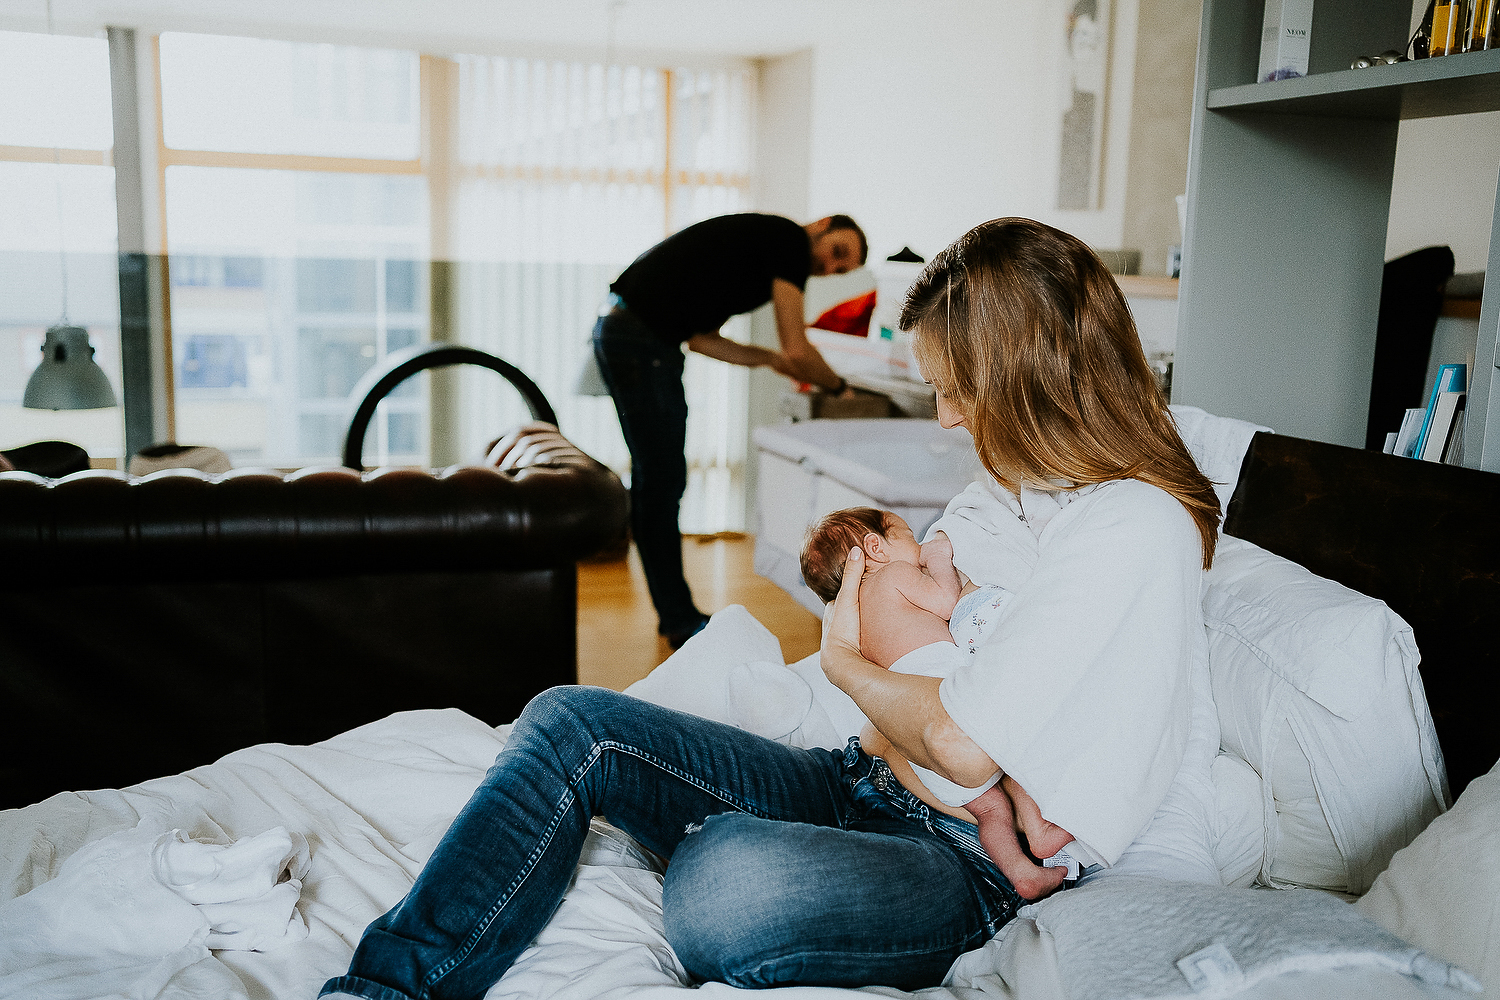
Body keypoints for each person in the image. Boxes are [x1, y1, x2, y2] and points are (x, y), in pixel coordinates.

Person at [321, 218, 1220, 1000]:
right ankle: (384, 989)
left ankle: (736, 842)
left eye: (956, 389)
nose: (947, 420)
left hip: (962, 862)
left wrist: (843, 665)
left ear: (1026, 374)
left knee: (723, 889)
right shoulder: (1007, 485)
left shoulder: (1133, 524)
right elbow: (890, 647)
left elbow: (956, 740)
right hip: (858, 774)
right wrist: (884, 683)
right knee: (570, 721)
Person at [594, 212, 867, 649]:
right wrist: (841, 388)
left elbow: (703, 340)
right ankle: (679, 618)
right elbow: (797, 346)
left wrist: (770, 360)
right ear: (821, 225)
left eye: (840, 271)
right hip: (639, 339)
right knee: (661, 481)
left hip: (629, 332)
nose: (828, 269)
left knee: (657, 480)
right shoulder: (789, 242)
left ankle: (675, 615)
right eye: (836, 253)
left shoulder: (761, 250)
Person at [799, 506, 1073, 900]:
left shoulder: (853, 618)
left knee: (990, 810)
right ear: (876, 547)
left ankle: (1020, 872)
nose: (919, 542)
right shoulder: (894, 575)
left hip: (916, 747)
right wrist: (940, 559)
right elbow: (947, 603)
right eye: (909, 535)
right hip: (945, 702)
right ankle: (1041, 830)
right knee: (1013, 763)